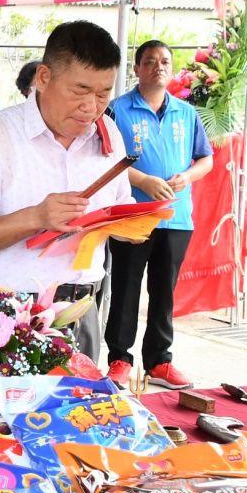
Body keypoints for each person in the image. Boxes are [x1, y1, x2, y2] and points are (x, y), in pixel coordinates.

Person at [0, 21, 131, 363]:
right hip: (7, 316)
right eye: (80, 90)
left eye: (103, 93)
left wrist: (131, 223)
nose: (91, 107)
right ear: (44, 78)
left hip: (82, 308)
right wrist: (36, 217)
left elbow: (120, 204)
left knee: (79, 399)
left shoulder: (108, 135)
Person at [103, 40, 212, 389]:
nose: (158, 67)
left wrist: (187, 176)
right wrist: (142, 181)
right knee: (126, 288)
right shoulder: (117, 110)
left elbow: (205, 159)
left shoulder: (186, 113)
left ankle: (160, 362)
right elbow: (104, 161)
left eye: (165, 61)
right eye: (150, 61)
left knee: (164, 292)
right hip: (133, 216)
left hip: (176, 217)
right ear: (136, 69)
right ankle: (119, 359)